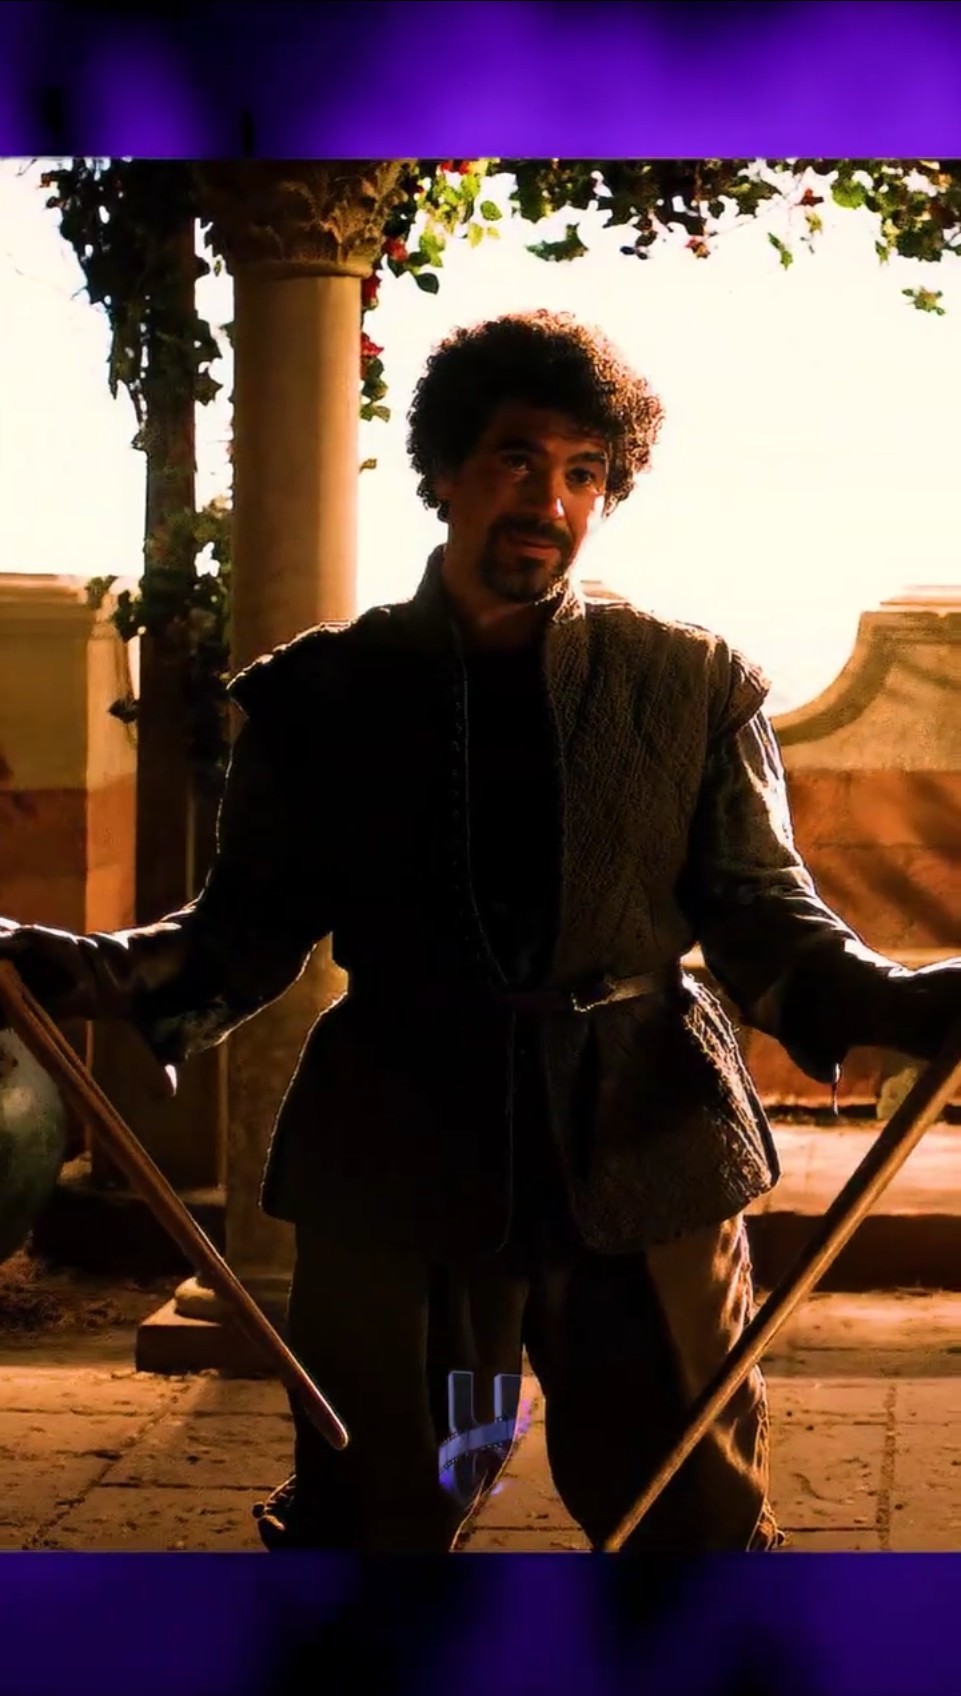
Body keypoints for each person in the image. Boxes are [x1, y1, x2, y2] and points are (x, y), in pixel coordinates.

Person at [1, 309, 959, 1555]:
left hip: (645, 1136)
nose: (549, 502)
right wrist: (84, 969)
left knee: (695, 1514)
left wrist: (907, 1003)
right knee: (377, 1514)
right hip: (400, 1144)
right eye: (516, 459)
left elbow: (768, 921)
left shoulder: (689, 684)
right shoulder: (321, 694)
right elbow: (240, 931)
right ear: (447, 468)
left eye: (584, 473)